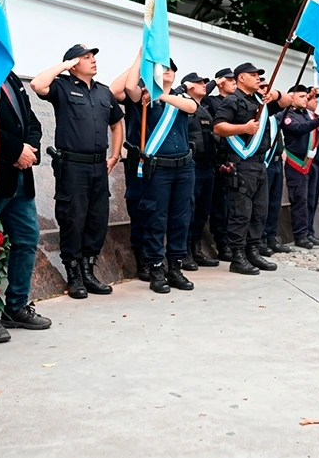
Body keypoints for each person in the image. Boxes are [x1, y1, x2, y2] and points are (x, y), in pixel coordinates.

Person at [31, 45, 124, 298]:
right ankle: (74, 276)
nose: (93, 61)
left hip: (98, 166)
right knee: (73, 218)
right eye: (86, 58)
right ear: (73, 63)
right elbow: (38, 85)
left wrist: (114, 156)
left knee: (97, 219)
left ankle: (89, 272)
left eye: (93, 57)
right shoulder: (62, 87)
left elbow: (116, 123)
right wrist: (65, 65)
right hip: (72, 165)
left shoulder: (104, 92)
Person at [0, 69, 51, 345]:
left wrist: (29, 149)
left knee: (27, 238)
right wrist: (16, 151)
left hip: (19, 178)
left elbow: (32, 121)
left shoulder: (10, 76)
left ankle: (16, 307)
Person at [123, 57, 197, 293]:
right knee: (156, 219)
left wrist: (161, 95)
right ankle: (156, 267)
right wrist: (141, 55)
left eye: (171, 69)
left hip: (184, 167)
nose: (168, 72)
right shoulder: (143, 99)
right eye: (162, 69)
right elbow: (127, 88)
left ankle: (175, 267)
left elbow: (192, 107)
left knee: (180, 219)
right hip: (159, 169)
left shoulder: (180, 98)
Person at [212, 63, 290, 274]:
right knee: (241, 212)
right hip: (240, 161)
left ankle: (252, 250)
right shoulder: (232, 100)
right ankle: (237, 256)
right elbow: (218, 126)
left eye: (259, 75)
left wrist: (276, 94)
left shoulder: (259, 102)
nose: (257, 79)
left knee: (259, 211)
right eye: (253, 75)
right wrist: (243, 128)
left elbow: (287, 101)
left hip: (258, 162)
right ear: (241, 78)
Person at [110, 53, 151, 281]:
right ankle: (142, 257)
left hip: (163, 164)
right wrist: (139, 58)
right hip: (139, 160)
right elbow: (116, 91)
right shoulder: (137, 89)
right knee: (139, 209)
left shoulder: (171, 95)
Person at [179, 72, 220, 269]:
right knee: (189, 209)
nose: (204, 85)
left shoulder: (204, 110)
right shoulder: (182, 106)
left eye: (205, 82)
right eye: (199, 82)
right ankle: (184, 251)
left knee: (202, 211)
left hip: (208, 166)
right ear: (188, 86)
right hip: (191, 166)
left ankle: (196, 248)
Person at [281, 85, 319, 249]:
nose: (305, 99)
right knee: (300, 200)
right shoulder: (287, 115)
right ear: (291, 97)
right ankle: (300, 235)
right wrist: (318, 121)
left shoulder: (306, 115)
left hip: (311, 163)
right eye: (301, 96)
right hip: (296, 163)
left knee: (311, 200)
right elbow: (298, 129)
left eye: (307, 97)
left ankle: (309, 232)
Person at [202, 67, 237, 261]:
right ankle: (222, 244)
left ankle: (234, 242)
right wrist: (215, 81)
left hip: (236, 155)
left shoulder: (237, 102)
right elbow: (198, 97)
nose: (234, 83)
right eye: (230, 80)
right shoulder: (211, 101)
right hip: (217, 157)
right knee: (220, 205)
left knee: (234, 205)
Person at [260, 80, 292, 256]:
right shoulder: (257, 111)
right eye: (262, 87)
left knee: (274, 203)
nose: (266, 90)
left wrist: (275, 93)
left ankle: (272, 236)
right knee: (262, 204)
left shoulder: (274, 112)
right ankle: (260, 239)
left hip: (277, 161)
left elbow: (289, 100)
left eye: (267, 87)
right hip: (264, 162)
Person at [304, 90, 319, 245]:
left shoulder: (316, 117)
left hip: (317, 163)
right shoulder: (301, 116)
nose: (317, 102)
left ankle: (310, 231)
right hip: (303, 163)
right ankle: (303, 232)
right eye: (314, 98)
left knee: (313, 199)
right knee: (304, 200)